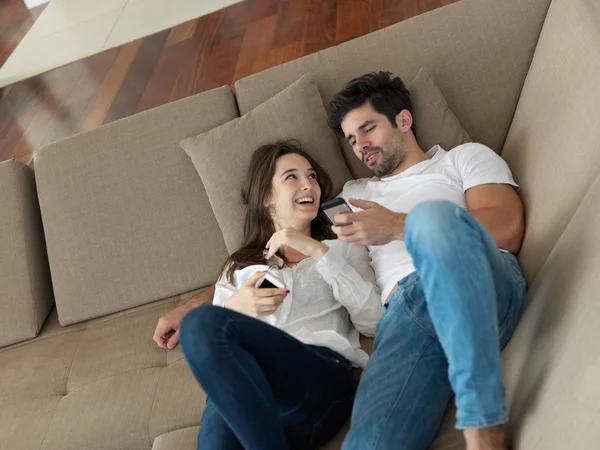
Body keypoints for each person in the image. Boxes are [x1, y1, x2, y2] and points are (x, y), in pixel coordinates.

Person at [326, 71, 526, 450]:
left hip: (477, 282)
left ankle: (484, 424)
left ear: (403, 120)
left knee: (431, 218)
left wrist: (400, 226)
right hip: (406, 318)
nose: (360, 146)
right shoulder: (353, 193)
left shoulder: (463, 159)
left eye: (368, 129)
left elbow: (508, 228)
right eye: (352, 139)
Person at [154, 142, 383, 450]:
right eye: (292, 177)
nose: (308, 184)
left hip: (317, 383)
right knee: (214, 375)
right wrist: (239, 309)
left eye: (312, 176)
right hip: (257, 408)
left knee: (198, 323)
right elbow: (213, 353)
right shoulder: (239, 267)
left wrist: (318, 251)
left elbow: (374, 322)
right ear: (266, 198)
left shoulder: (341, 247)